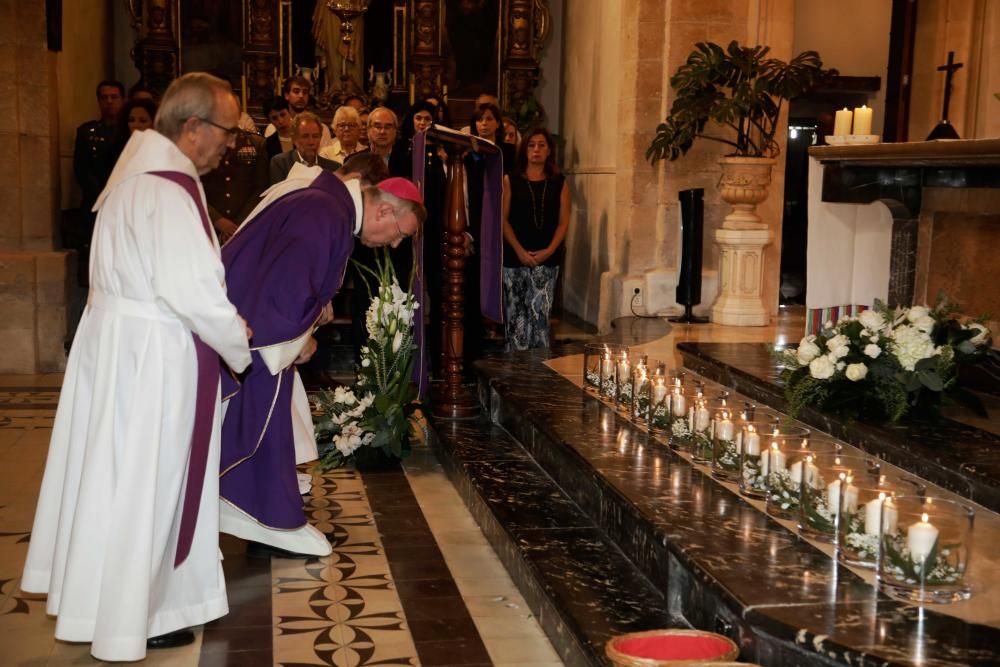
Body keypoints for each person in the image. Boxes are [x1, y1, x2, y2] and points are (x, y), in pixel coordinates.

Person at [21, 72, 253, 662]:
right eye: (226, 129)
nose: (232, 142)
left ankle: (115, 603)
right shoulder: (168, 190)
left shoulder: (131, 180)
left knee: (112, 477)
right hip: (153, 358)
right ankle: (136, 615)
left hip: (117, 348)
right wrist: (238, 339)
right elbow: (194, 290)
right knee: (150, 479)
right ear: (194, 127)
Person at [218, 174, 426, 557]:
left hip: (250, 319)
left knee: (280, 413)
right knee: (259, 419)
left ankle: (267, 509)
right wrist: (300, 336)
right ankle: (260, 514)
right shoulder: (325, 211)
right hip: (258, 330)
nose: (394, 244)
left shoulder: (331, 207)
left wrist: (317, 307)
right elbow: (283, 285)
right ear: (383, 210)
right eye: (399, 233)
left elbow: (295, 267)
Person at [502, 128, 568, 351]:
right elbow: (503, 220)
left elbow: (563, 222)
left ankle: (538, 375)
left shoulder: (559, 182)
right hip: (515, 257)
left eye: (541, 145)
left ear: (549, 151)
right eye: (531, 145)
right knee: (516, 318)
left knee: (540, 317)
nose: (536, 150)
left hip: (547, 258)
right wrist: (520, 251)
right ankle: (514, 373)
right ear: (524, 150)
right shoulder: (510, 180)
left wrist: (548, 251)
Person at [464, 103, 514, 365]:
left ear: (497, 123)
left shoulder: (506, 153)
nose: (484, 124)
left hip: (500, 228)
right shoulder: (467, 153)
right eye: (480, 119)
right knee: (472, 289)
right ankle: (473, 350)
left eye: (489, 119)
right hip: (474, 229)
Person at [202, 95, 270, 241]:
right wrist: (217, 220)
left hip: (245, 227)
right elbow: (194, 186)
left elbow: (261, 187)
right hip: (208, 227)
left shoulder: (255, 144)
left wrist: (237, 225)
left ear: (240, 113)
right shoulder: (202, 145)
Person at [72, 80, 126, 258]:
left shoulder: (130, 132)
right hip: (96, 200)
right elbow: (81, 170)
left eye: (114, 97)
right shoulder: (88, 132)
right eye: (104, 98)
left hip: (124, 199)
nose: (109, 102)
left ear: (122, 99)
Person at [269, 112, 341, 184]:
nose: (311, 142)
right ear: (294, 139)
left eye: (315, 136)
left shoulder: (333, 168)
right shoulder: (281, 163)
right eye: (305, 136)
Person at [263, 76, 333, 147]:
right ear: (287, 95)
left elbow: (324, 155)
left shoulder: (322, 128)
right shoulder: (273, 127)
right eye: (296, 91)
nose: (301, 95)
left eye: (305, 92)